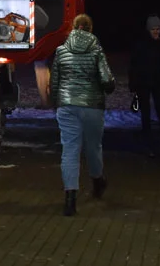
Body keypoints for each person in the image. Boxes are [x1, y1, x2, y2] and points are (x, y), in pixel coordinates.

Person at [50, 14, 116, 216]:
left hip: (67, 105)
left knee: (70, 150)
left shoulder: (61, 51)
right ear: (90, 29)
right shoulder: (97, 51)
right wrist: (109, 86)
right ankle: (97, 181)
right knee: (93, 146)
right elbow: (106, 80)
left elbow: (54, 83)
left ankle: (70, 199)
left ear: (74, 27)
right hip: (92, 106)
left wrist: (57, 101)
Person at [130, 15, 160, 157]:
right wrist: (134, 84)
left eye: (158, 29)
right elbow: (134, 65)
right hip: (144, 83)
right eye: (153, 29)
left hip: (158, 83)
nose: (156, 31)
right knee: (145, 113)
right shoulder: (141, 44)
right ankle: (148, 142)